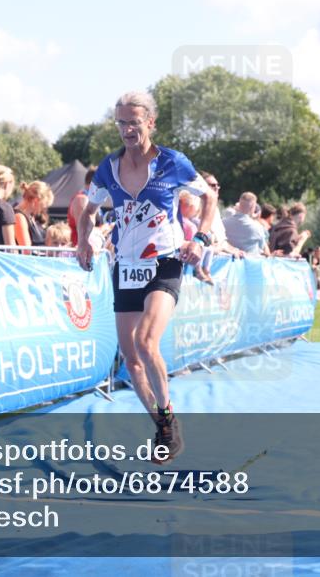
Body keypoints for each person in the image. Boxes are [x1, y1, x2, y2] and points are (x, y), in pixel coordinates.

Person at [75, 91, 216, 464]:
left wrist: (201, 239)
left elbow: (209, 198)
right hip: (125, 265)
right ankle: (165, 426)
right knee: (130, 357)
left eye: (134, 123)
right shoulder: (108, 167)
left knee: (145, 340)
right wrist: (83, 242)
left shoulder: (173, 162)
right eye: (121, 123)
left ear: (150, 123)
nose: (126, 130)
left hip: (165, 262)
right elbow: (88, 211)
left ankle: (166, 415)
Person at [223, 192, 270, 256]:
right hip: (250, 261)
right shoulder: (258, 227)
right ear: (253, 207)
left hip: (227, 260)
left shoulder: (223, 223)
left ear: (239, 205)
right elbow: (263, 248)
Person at [15, 181, 54, 248]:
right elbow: (26, 249)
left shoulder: (31, 218)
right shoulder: (19, 217)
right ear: (36, 200)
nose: (43, 210)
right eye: (43, 206)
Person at [68, 167, 95, 248]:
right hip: (80, 252)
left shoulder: (90, 200)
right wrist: (104, 229)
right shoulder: (81, 199)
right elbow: (84, 233)